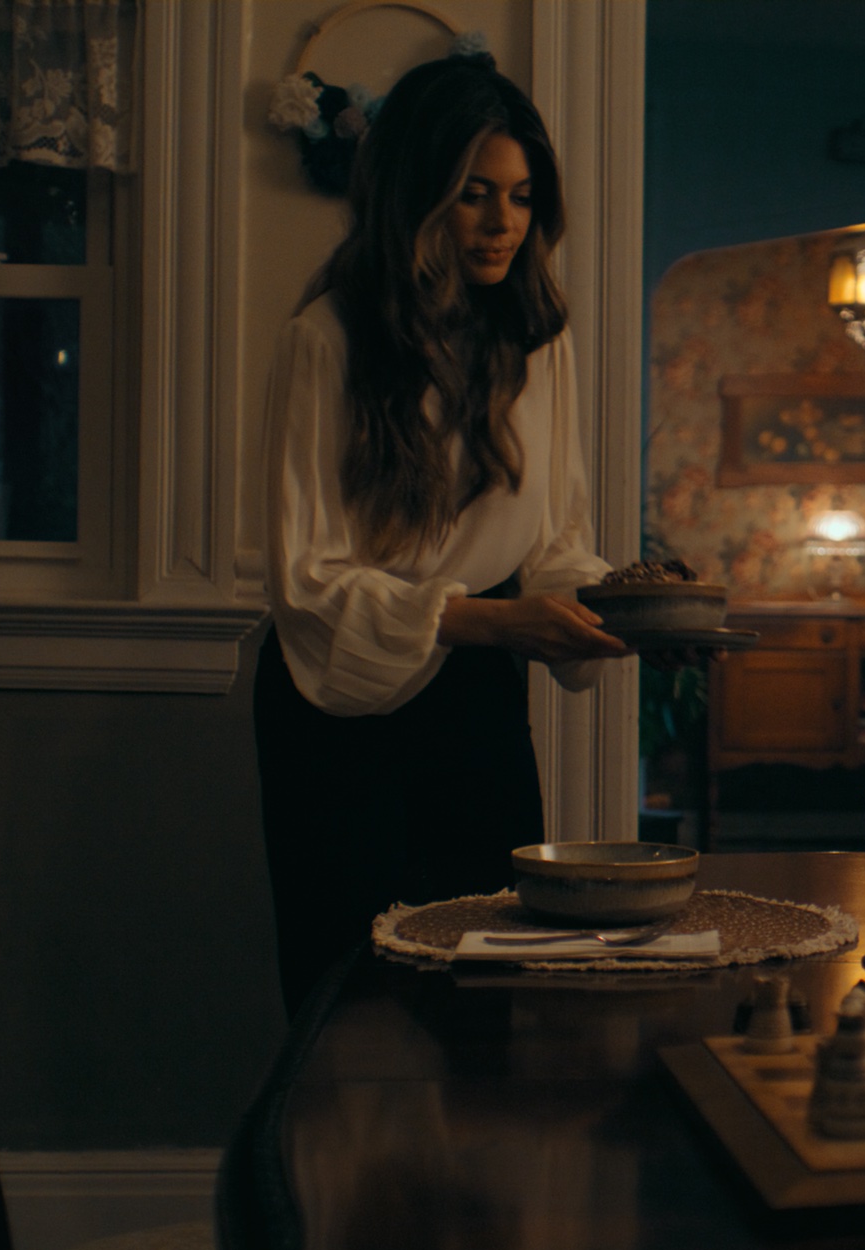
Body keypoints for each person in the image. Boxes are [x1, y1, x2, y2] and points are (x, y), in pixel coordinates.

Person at [254, 49, 629, 1013]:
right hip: (338, 719)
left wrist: (638, 613)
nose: (504, 223)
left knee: (487, 987)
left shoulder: (541, 342)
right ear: (416, 195)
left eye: (520, 195)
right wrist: (497, 625)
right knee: (354, 1000)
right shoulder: (327, 341)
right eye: (473, 196)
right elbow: (308, 583)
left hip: (475, 707)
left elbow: (554, 547)